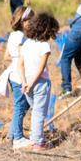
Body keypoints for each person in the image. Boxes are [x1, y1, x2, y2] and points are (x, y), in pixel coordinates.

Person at [21, 12, 59, 151]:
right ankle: (38, 143)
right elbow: (41, 67)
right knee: (39, 112)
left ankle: (34, 138)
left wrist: (24, 82)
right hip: (40, 83)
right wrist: (31, 83)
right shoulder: (44, 46)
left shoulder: (26, 44)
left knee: (35, 111)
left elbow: (20, 64)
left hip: (26, 83)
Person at [3, 6, 34, 147]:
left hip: (14, 72)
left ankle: (12, 134)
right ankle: (18, 138)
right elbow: (24, 56)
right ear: (22, 20)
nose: (32, 22)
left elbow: (6, 57)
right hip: (19, 75)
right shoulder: (21, 36)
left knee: (22, 105)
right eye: (29, 20)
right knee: (20, 106)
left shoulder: (12, 35)